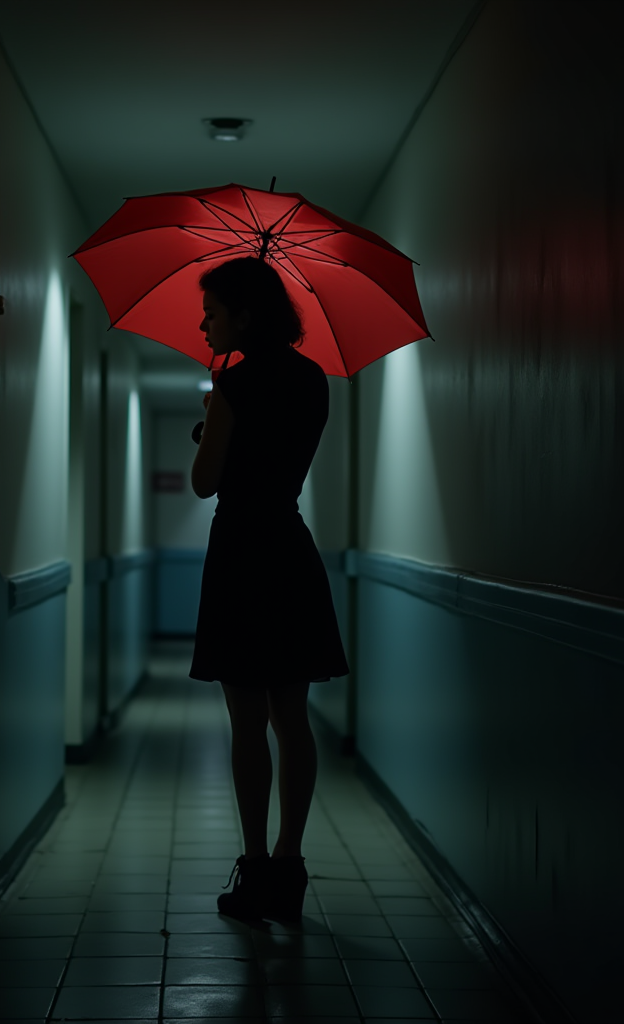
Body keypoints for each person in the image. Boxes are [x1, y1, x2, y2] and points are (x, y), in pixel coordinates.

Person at [189, 256, 349, 923]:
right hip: (289, 549)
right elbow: (280, 458)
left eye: (214, 312)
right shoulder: (314, 380)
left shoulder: (231, 385)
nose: (204, 324)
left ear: (244, 316)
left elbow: (206, 481)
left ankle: (254, 868)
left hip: (240, 556)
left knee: (247, 723)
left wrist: (210, 420)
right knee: (293, 718)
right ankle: (291, 862)